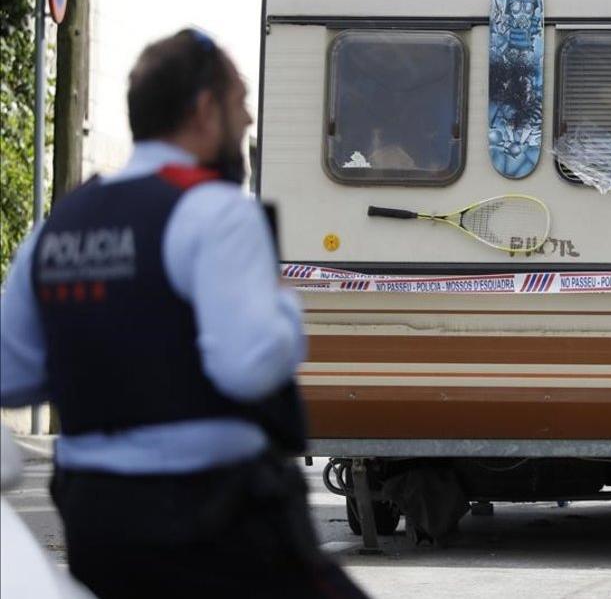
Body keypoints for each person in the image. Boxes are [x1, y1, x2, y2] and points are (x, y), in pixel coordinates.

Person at [0, 30, 368, 599]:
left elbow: (11, 374)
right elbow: (248, 368)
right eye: (240, 101)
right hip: (214, 521)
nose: (248, 120)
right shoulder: (214, 213)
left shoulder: (58, 228)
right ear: (203, 109)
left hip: (96, 522)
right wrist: (283, 314)